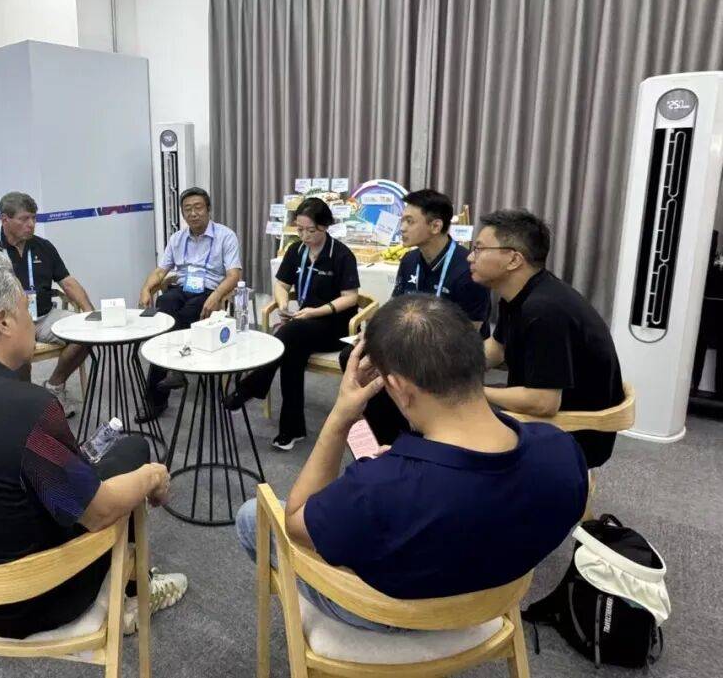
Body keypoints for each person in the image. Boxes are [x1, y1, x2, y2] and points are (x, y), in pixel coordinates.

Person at [236, 295, 588, 629]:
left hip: (393, 617)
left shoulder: (378, 488)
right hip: (488, 604)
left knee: (254, 515)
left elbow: (297, 522)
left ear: (399, 388)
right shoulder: (562, 452)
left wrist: (340, 417)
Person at [0, 250, 188, 638]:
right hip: (31, 601)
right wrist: (152, 477)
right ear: (3, 321)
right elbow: (98, 514)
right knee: (132, 451)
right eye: (26, 308)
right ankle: (133, 593)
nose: (32, 318)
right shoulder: (28, 408)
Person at [468, 209, 624, 469]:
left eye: (479, 249)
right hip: (544, 414)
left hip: (574, 434)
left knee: (451, 422)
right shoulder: (519, 293)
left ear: (513, 259)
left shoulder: (544, 309)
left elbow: (543, 403)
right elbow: (496, 348)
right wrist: (451, 370)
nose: (470, 257)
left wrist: (472, 391)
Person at [337, 188, 491, 443]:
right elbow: (396, 307)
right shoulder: (409, 261)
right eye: (402, 220)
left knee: (400, 370)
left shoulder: (467, 269)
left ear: (435, 226)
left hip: (450, 351)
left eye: (410, 221)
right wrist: (372, 336)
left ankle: (416, 436)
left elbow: (470, 333)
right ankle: (389, 438)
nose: (402, 228)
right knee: (353, 356)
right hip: (410, 342)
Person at [226, 197, 359, 451]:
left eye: (311, 230)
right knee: (291, 353)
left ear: (325, 226)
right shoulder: (296, 251)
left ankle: (252, 385)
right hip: (303, 325)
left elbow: (350, 298)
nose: (305, 236)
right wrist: (284, 304)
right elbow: (281, 285)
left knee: (291, 334)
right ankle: (291, 429)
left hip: (335, 326)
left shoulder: (341, 254)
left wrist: (315, 312)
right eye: (300, 230)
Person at [0, 191, 94, 413]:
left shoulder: (43, 247)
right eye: (24, 219)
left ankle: (54, 386)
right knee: (20, 351)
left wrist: (89, 312)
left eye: (34, 218)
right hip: (8, 322)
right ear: (4, 219)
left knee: (88, 333)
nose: (31, 224)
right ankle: (26, 404)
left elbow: (67, 282)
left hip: (45, 316)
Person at [137, 187, 243, 421]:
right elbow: (161, 271)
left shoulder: (225, 236)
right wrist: (145, 288)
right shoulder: (177, 239)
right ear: (183, 213)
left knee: (184, 315)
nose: (193, 213)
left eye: (198, 208)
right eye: (187, 209)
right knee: (164, 305)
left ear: (208, 209)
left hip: (210, 290)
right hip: (183, 288)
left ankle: (169, 377)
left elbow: (234, 275)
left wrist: (216, 295)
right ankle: (163, 389)